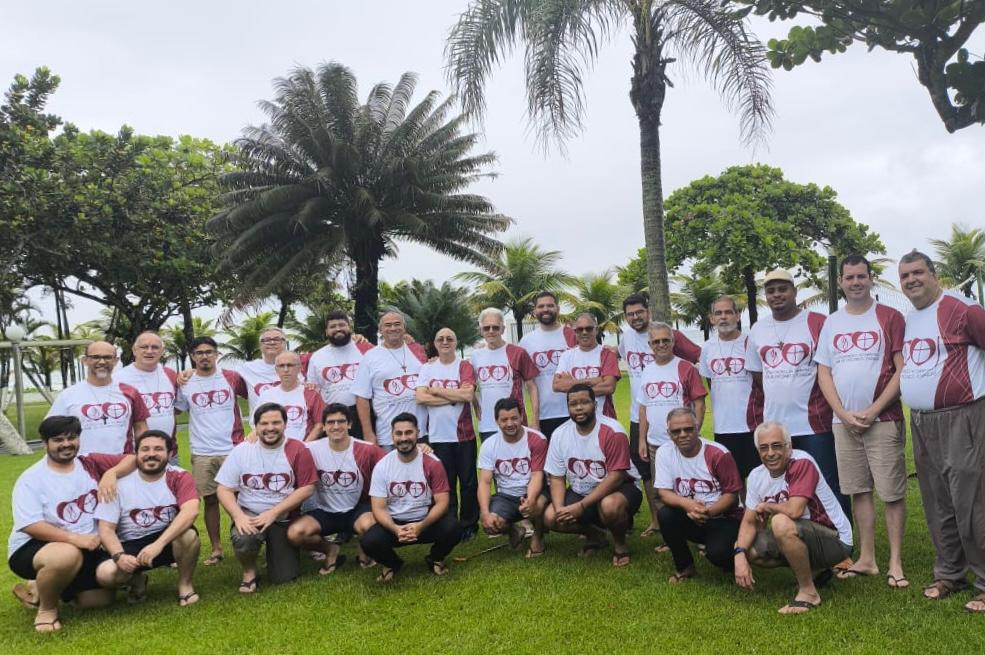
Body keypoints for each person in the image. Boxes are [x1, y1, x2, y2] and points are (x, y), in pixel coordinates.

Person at [897, 250, 985, 612]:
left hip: (963, 416)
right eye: (905, 276)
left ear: (934, 274)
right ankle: (950, 573)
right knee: (937, 500)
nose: (912, 280)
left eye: (918, 272)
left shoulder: (963, 309)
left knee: (972, 500)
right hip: (922, 421)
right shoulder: (909, 320)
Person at [815, 255, 908, 585]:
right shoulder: (832, 323)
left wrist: (874, 410)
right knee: (859, 491)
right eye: (849, 277)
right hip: (844, 423)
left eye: (861, 276)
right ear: (841, 282)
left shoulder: (890, 317)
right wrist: (842, 414)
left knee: (892, 492)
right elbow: (824, 373)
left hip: (883, 419)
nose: (855, 282)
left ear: (871, 279)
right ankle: (867, 558)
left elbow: (902, 369)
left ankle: (895, 562)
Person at [8, 416, 135, 633]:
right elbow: (31, 525)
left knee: (97, 601)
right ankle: (47, 610)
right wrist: (75, 539)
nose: (66, 444)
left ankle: (40, 587)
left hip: (87, 545)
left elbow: (132, 459)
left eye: (72, 438)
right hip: (36, 546)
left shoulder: (89, 463)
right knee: (66, 555)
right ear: (45, 443)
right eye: (58, 440)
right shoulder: (32, 478)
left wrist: (111, 473)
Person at [744, 269, 849, 520]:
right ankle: (799, 535)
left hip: (814, 423)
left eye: (783, 289)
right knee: (785, 485)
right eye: (771, 291)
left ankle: (841, 537)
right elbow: (757, 375)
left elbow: (831, 368)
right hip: (776, 426)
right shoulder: (758, 329)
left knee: (828, 482)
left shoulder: (817, 322)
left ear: (794, 291)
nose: (777, 295)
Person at [733, 421, 853, 614]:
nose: (770, 453)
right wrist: (739, 554)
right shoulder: (756, 475)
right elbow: (748, 522)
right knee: (748, 548)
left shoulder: (801, 462)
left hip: (836, 539)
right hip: (804, 535)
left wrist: (767, 506)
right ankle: (815, 571)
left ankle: (808, 592)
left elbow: (795, 510)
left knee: (780, 522)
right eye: (764, 448)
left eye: (777, 445)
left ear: (789, 447)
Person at [618, 294, 704, 535]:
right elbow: (622, 359)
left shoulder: (671, 337)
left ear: (648, 311)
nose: (635, 317)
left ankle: (694, 523)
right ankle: (658, 521)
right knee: (647, 471)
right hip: (642, 417)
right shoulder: (626, 338)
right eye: (630, 314)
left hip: (678, 423)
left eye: (639, 312)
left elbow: (699, 355)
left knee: (685, 472)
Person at [215, 403, 317, 592]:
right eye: (264, 423)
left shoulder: (298, 449)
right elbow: (224, 488)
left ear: (285, 424)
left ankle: (279, 552)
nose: (270, 428)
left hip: (283, 516)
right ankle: (249, 571)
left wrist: (274, 513)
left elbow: (307, 488)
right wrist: (238, 516)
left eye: (276, 422)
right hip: (251, 513)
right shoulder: (242, 450)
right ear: (255, 426)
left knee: (284, 577)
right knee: (244, 538)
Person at [94, 430, 200, 606]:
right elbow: (106, 528)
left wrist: (158, 544)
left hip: (165, 540)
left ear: (170, 454)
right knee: (105, 574)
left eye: (158, 449)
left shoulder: (180, 476)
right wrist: (119, 556)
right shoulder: (117, 484)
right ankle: (137, 581)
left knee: (188, 535)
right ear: (136, 454)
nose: (151, 454)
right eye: (145, 449)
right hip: (130, 545)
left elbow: (191, 511)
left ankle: (185, 585)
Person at [543, 384, 642, 567]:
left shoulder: (613, 431)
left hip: (620, 488)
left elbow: (617, 476)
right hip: (581, 491)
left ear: (595, 405)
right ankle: (595, 535)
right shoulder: (559, 434)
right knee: (551, 517)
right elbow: (556, 477)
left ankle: (620, 544)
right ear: (568, 408)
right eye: (573, 404)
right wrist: (559, 509)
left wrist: (581, 506)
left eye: (584, 402)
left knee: (609, 506)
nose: (579, 408)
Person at [174, 336, 248, 567]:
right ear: (193, 356)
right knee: (210, 500)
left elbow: (257, 394)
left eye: (209, 352)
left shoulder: (232, 377)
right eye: (199, 353)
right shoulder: (186, 383)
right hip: (202, 451)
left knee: (241, 498)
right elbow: (176, 410)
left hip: (233, 448)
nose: (204, 356)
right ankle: (216, 548)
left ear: (217, 354)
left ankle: (244, 541)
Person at [360, 413, 461, 582]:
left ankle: (435, 557)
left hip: (425, 521)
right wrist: (395, 529)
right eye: (398, 433)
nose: (403, 438)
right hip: (395, 524)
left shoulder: (433, 463)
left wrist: (421, 526)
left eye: (409, 432)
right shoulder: (382, 466)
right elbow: (378, 508)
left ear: (417, 433)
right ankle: (392, 564)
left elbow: (442, 503)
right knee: (369, 541)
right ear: (392, 436)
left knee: (453, 527)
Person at [287, 404, 384, 573]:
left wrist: (420, 449)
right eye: (331, 422)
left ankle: (364, 549)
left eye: (341, 421)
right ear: (323, 426)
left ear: (350, 424)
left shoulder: (367, 449)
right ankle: (330, 549)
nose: (336, 426)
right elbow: (284, 449)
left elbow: (392, 464)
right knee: (295, 534)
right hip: (324, 511)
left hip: (357, 509)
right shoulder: (310, 449)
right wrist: (254, 437)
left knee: (370, 526)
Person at [653, 407, 743, 584]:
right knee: (665, 515)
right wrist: (687, 504)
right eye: (676, 431)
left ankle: (735, 555)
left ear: (697, 428)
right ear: (669, 433)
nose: (683, 435)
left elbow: (732, 494)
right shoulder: (664, 452)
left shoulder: (718, 453)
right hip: (692, 515)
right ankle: (684, 566)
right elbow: (663, 492)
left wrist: (708, 512)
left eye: (688, 429)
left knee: (718, 554)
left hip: (725, 517)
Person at [637, 322, 707, 541]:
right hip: (655, 444)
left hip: (682, 442)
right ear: (650, 345)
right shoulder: (647, 370)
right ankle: (670, 537)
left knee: (689, 490)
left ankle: (698, 533)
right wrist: (642, 439)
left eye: (665, 340)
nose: (661, 345)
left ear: (673, 341)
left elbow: (699, 403)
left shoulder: (686, 368)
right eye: (656, 341)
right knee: (661, 492)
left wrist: (694, 433)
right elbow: (643, 407)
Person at [416, 328, 481, 540]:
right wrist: (454, 397)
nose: (445, 342)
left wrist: (436, 390)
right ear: (435, 343)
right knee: (446, 484)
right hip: (437, 436)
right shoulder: (427, 368)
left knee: (468, 483)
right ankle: (451, 524)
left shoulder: (464, 366)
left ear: (456, 342)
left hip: (463, 435)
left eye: (449, 339)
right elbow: (421, 398)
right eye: (440, 339)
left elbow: (468, 394)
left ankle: (469, 524)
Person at [698, 296, 764, 480]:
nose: (723, 317)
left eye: (728, 312)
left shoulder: (750, 343)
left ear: (738, 315)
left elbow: (762, 381)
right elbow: (711, 382)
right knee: (732, 478)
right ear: (712, 318)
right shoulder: (707, 348)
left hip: (752, 423)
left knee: (758, 476)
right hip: (723, 425)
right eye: (718, 313)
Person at [45, 341, 150, 454]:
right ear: (85, 360)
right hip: (82, 462)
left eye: (107, 357)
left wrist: (143, 454)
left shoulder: (130, 392)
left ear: (115, 361)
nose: (102, 362)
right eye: (95, 357)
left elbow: (141, 428)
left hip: (122, 461)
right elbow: (50, 431)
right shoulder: (68, 395)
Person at [477, 398, 549, 557]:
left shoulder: (537, 439)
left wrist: (530, 499)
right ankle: (514, 531)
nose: (510, 423)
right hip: (506, 496)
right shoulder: (489, 445)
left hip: (534, 491)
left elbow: (537, 474)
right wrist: (485, 513)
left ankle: (538, 536)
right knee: (492, 523)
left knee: (536, 505)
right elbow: (484, 482)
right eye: (504, 420)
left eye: (514, 418)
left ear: (521, 416)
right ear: (497, 421)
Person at [353, 311, 428, 450]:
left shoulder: (417, 350)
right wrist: (368, 433)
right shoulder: (370, 357)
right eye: (388, 325)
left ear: (404, 328)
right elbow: (362, 397)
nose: (393, 328)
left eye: (397, 324)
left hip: (421, 432)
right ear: (380, 330)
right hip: (388, 436)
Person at [471, 307, 539, 439]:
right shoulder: (475, 356)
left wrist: (535, 420)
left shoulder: (518, 353)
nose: (491, 331)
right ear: (481, 331)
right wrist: (475, 405)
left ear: (502, 329)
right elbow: (470, 386)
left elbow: (532, 387)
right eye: (486, 328)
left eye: (495, 327)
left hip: (514, 423)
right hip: (487, 426)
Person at [305, 310, 375, 439]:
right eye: (333, 326)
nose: (338, 329)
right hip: (332, 415)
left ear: (349, 327)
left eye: (342, 325)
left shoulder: (365, 349)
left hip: (364, 414)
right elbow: (313, 388)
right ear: (326, 331)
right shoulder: (317, 357)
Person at [518, 290, 577, 438]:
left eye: (550, 305)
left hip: (574, 410)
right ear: (535, 311)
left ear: (558, 308)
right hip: (544, 415)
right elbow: (528, 383)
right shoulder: (526, 342)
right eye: (541, 306)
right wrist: (535, 419)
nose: (545, 309)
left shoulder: (572, 335)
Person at [116, 331, 180, 460]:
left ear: (162, 351)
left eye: (155, 347)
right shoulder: (119, 379)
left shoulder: (170, 375)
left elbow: (178, 408)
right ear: (134, 350)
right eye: (144, 347)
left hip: (169, 452)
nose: (149, 351)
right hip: (136, 454)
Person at [553, 313, 621, 419]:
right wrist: (595, 380)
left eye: (589, 329)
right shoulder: (567, 356)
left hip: (604, 417)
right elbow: (557, 385)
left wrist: (573, 384)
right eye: (580, 329)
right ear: (575, 332)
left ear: (596, 330)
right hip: (576, 420)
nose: (584, 332)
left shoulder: (607, 354)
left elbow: (608, 387)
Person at [257, 351, 326, 442]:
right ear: (276, 370)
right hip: (273, 448)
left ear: (299, 368)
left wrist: (303, 446)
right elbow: (257, 425)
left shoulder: (312, 394)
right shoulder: (266, 395)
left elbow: (320, 425)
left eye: (290, 365)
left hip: (304, 447)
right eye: (281, 366)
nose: (286, 370)